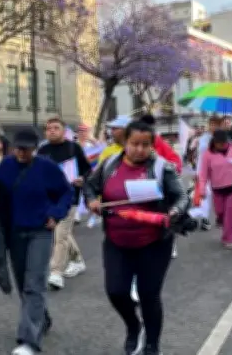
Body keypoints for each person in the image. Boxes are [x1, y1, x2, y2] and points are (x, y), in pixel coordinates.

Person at [84, 121, 189, 355]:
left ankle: (152, 345)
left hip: (153, 243)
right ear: (125, 142)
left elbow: (182, 197)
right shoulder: (109, 164)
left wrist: (173, 212)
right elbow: (90, 187)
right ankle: (134, 326)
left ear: (153, 145)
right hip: (116, 240)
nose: (140, 149)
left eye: (145, 145)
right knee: (116, 291)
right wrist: (91, 200)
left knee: (149, 294)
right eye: (134, 144)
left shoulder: (163, 168)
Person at [0, 128, 72, 355]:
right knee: (22, 284)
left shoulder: (47, 168)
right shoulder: (5, 165)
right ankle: (41, 318)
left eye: (26, 149)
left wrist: (55, 214)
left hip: (40, 231)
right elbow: (0, 194)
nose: (21, 153)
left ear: (35, 149)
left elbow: (66, 193)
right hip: (14, 233)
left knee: (34, 283)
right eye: (18, 148)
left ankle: (29, 341)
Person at [37, 117, 91, 290]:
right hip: (50, 198)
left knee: (59, 235)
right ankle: (78, 260)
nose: (51, 131)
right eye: (48, 128)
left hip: (70, 196)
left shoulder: (73, 147)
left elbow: (87, 169)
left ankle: (56, 272)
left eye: (55, 127)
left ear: (64, 130)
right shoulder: (43, 150)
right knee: (64, 233)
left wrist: (82, 178)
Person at [195, 130, 232, 249]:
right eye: (219, 143)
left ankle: (229, 238)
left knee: (230, 212)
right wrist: (202, 189)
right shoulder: (207, 154)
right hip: (218, 188)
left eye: (224, 142)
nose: (223, 145)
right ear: (214, 142)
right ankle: (222, 221)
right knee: (220, 211)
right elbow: (203, 174)